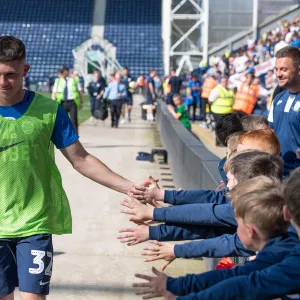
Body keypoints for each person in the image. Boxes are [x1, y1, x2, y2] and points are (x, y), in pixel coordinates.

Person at [0, 35, 148, 300]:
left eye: (10, 74)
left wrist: (131, 187)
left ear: (25, 70)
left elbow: (81, 159)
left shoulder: (48, 110)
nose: (3, 82)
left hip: (35, 222)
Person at [133, 167, 300, 300]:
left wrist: (179, 289)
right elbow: (240, 276)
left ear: (286, 213)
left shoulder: (290, 253)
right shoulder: (284, 242)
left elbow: (244, 285)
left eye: (237, 223)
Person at [268, 46, 300, 175]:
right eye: (276, 69)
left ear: (298, 70)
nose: (278, 74)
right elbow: (270, 131)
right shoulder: (278, 98)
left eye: (284, 69)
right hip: (277, 171)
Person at [52, 66, 83, 133]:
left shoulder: (74, 80)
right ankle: (65, 138)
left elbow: (80, 91)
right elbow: (54, 93)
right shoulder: (58, 81)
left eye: (66, 71)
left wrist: (81, 102)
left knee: (74, 120)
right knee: (63, 121)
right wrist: (53, 103)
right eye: (64, 71)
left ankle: (75, 138)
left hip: (72, 103)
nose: (66, 72)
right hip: (62, 103)